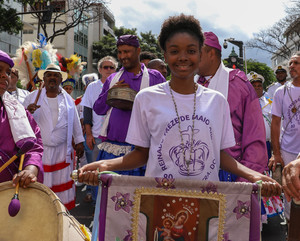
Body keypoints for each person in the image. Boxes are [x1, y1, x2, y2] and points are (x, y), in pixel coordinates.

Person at [78, 14, 280, 198]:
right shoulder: (146, 98)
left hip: (207, 201)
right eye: (174, 51)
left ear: (200, 54)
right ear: (165, 56)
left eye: (191, 51)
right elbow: (141, 154)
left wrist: (254, 175)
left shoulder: (217, 101)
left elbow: (219, 155)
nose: (183, 57)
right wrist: (104, 164)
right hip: (157, 198)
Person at [196, 31, 268, 183]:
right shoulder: (189, 83)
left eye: (196, 51)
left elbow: (254, 135)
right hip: (194, 173)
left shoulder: (238, 84)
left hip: (231, 175)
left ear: (211, 54)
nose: (190, 58)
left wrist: (246, 179)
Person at [92, 34, 165, 176]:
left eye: (127, 51)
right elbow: (99, 109)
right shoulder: (113, 79)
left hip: (143, 151)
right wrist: (110, 92)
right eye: (120, 52)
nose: (122, 56)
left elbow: (165, 110)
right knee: (110, 196)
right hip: (113, 150)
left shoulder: (154, 77)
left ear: (138, 51)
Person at [23, 63, 84, 209]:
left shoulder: (68, 99)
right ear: (43, 78)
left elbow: (75, 121)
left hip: (62, 151)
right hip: (40, 152)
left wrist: (80, 140)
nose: (52, 78)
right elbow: (21, 121)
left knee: (61, 189)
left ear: (60, 79)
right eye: (49, 75)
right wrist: (27, 112)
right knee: (40, 187)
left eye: (56, 75)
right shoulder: (32, 97)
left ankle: (61, 214)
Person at [0, 50, 43, 187]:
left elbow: (33, 147)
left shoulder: (18, 111)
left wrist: (30, 168)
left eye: (7, 72)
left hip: (9, 190)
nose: (4, 76)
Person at [248, 71, 284, 225]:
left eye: (259, 85)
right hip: (251, 146)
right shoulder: (245, 102)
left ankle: (267, 211)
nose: (257, 88)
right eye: (253, 85)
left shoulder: (269, 101)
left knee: (266, 175)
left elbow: (277, 123)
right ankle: (258, 215)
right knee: (255, 176)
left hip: (267, 145)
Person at [81, 56, 117, 203]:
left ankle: (110, 201)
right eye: (105, 67)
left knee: (111, 171)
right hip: (96, 135)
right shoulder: (92, 87)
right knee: (93, 169)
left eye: (112, 67)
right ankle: (93, 197)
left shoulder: (120, 84)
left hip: (114, 137)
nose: (108, 70)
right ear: (100, 70)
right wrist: (88, 135)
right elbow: (87, 111)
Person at [269, 52, 300, 222]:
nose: (291, 66)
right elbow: (275, 123)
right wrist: (277, 153)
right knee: (290, 192)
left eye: (296, 63)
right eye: (291, 63)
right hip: (288, 150)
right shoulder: (280, 92)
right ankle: (292, 230)